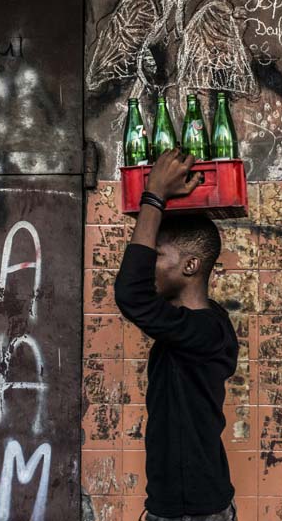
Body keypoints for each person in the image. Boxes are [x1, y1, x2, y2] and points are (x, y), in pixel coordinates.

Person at [114, 148, 240, 521]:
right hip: (188, 506)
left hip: (192, 512)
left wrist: (154, 196)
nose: (147, 264)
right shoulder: (200, 323)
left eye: (157, 256)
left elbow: (131, 295)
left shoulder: (202, 330)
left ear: (190, 265)